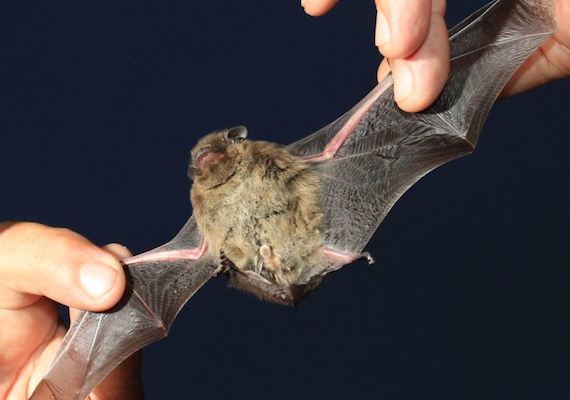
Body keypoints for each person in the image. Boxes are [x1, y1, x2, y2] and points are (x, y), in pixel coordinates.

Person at [1, 1, 568, 398]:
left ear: (239, 145)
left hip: (311, 239)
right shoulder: (199, 229)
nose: (212, 163)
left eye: (219, 153)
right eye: (203, 165)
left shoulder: (289, 160)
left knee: (389, 107)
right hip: (263, 270)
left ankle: (524, 22)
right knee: (119, 286)